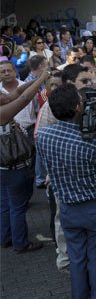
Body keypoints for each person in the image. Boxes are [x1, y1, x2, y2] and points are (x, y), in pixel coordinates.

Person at [35, 84, 96, 299]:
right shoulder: (92, 144)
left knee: (77, 261)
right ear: (77, 107)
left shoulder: (43, 136)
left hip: (68, 208)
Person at [1, 67, 49, 253]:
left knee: (4, 202)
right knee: (18, 206)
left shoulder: (2, 103)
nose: (4, 95)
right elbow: (23, 99)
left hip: (2, 167)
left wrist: (37, 78)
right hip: (13, 166)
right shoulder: (2, 114)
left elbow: (17, 93)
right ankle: (20, 243)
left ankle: (5, 238)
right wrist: (42, 78)